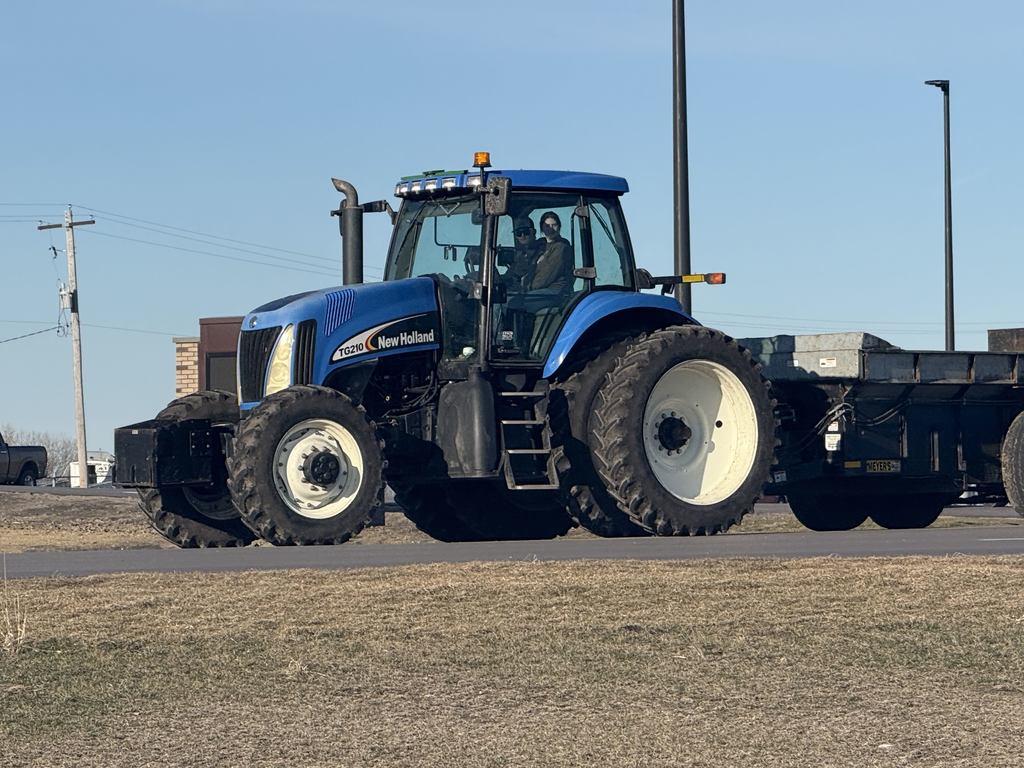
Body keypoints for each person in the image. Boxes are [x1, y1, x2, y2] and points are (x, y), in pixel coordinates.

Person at [529, 211, 574, 291]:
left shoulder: (561, 247)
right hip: (540, 290)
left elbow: (547, 276)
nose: (551, 229)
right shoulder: (540, 245)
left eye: (554, 225)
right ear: (542, 228)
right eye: (547, 226)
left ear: (559, 227)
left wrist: (527, 288)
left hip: (555, 291)